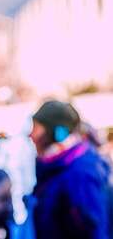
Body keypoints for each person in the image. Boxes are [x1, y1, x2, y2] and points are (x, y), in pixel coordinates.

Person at [29, 100, 110, 239]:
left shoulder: (79, 174)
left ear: (57, 133)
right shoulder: (56, 167)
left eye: (36, 128)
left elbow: (93, 232)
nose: (31, 135)